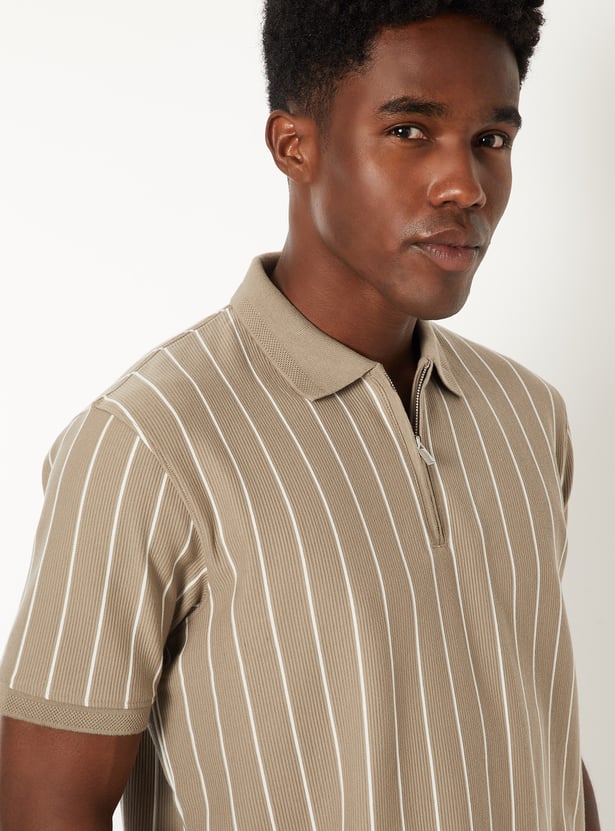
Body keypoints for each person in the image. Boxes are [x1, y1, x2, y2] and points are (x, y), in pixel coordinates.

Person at [0, 0, 602, 828]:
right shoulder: (147, 440)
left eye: (491, 140)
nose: (464, 184)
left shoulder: (527, 417)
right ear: (294, 145)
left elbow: (540, 739)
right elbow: (43, 804)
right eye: (408, 131)